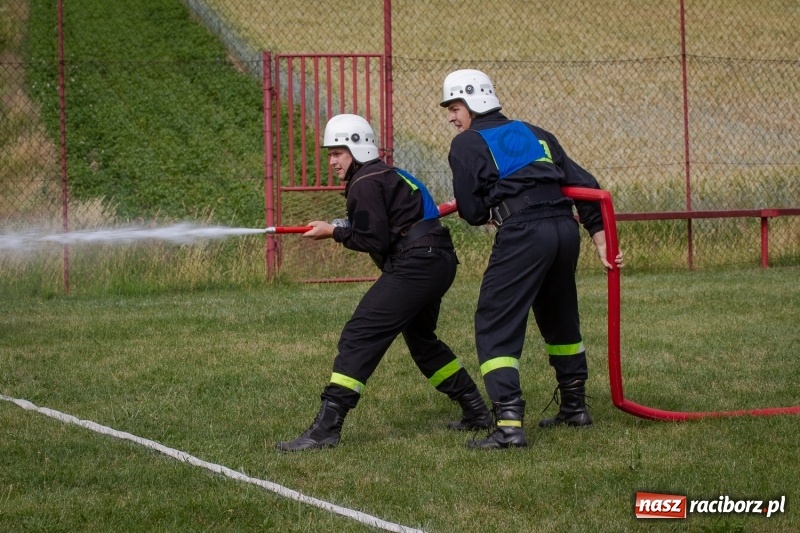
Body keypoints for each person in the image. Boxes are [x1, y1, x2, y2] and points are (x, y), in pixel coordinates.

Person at [277, 113, 492, 452]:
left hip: (418, 262)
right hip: (437, 259)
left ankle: (326, 429)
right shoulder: (387, 173)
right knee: (422, 340)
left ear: (358, 148)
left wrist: (334, 232)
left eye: (338, 152)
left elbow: (373, 239)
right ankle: (476, 411)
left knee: (360, 333)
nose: (332, 161)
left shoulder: (364, 182)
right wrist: (343, 226)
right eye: (330, 153)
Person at [439, 69, 624, 449]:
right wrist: (602, 240)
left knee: (495, 321)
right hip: (563, 229)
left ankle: (508, 424)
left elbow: (472, 211)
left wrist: (491, 206)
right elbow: (587, 186)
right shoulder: (536, 132)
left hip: (523, 232)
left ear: (473, 103)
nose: (451, 117)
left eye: (454, 108)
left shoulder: (467, 144)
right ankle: (574, 407)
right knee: (560, 315)